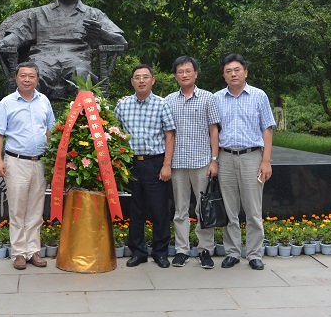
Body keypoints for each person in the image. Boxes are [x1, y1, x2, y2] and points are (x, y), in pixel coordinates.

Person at [0, 0, 127, 99]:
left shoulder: (93, 14)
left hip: (77, 61)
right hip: (42, 61)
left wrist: (101, 33)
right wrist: (1, 43)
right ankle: (28, 114)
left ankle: (84, 116)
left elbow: (122, 42)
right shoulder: (38, 14)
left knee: (82, 75)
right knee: (32, 75)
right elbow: (17, 36)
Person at [214, 54, 276, 270]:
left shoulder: (259, 96)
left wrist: (266, 160)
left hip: (252, 157)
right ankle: (232, 252)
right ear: (224, 75)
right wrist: (214, 159)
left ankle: (254, 254)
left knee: (253, 209)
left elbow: (267, 129)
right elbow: (214, 131)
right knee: (230, 209)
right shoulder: (217, 98)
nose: (233, 74)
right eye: (228, 71)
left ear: (245, 72)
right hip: (225, 157)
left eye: (237, 70)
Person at [0, 62, 55, 270]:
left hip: (40, 162)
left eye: (31, 76)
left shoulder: (44, 101)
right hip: (16, 161)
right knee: (17, 209)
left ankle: (33, 251)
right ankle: (19, 252)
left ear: (37, 79)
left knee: (36, 209)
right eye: (23, 76)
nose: (27, 79)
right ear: (16, 78)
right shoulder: (6, 103)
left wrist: (53, 157)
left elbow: (50, 130)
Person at [114, 64, 175, 268]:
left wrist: (167, 165)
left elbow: (169, 135)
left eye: (145, 77)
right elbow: (114, 133)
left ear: (152, 80)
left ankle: (160, 252)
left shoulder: (162, 104)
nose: (141, 80)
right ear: (132, 81)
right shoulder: (123, 105)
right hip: (131, 164)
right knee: (136, 209)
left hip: (155, 163)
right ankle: (138, 252)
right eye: (137, 77)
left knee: (159, 210)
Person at [165, 56, 220, 269]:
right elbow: (167, 133)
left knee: (203, 208)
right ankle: (182, 250)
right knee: (180, 210)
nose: (184, 74)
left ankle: (205, 250)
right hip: (178, 163)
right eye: (180, 71)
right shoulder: (169, 100)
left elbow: (214, 130)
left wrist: (214, 160)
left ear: (196, 73)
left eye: (188, 71)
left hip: (202, 162)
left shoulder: (208, 98)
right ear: (175, 76)